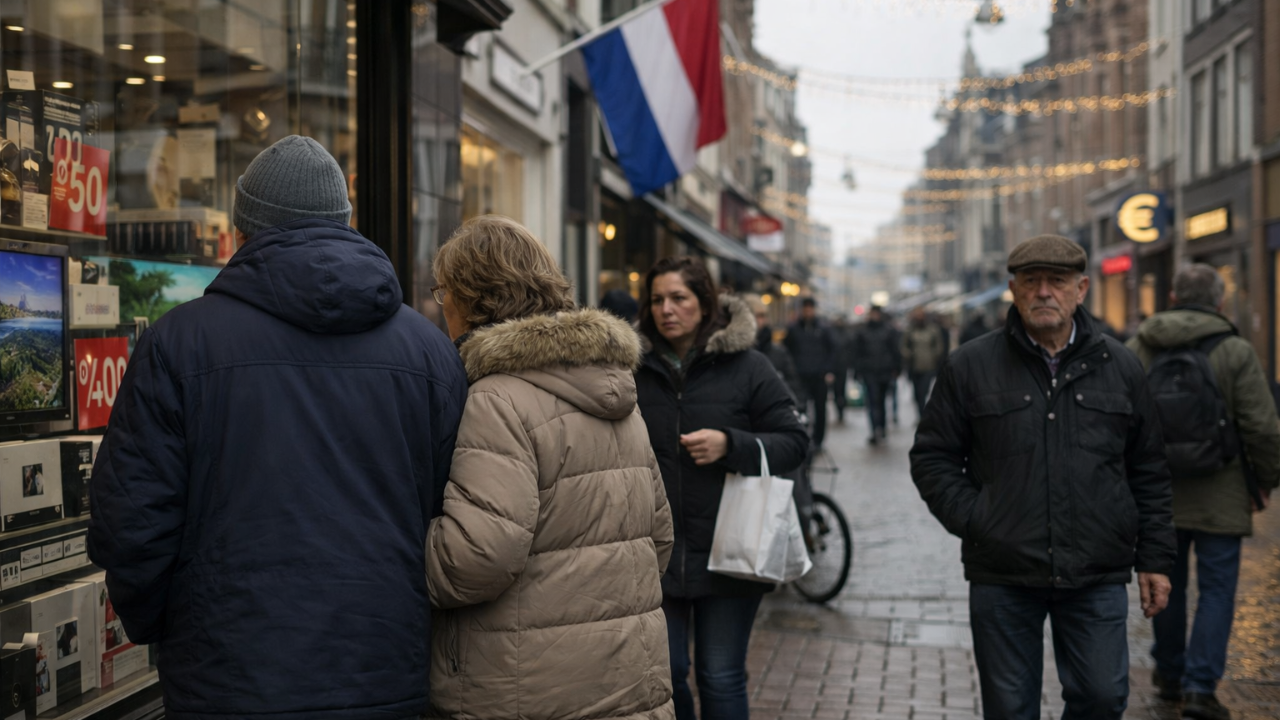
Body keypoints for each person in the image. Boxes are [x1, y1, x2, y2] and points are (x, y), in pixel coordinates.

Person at [88, 135, 468, 720]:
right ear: (345, 223)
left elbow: (134, 519)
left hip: (227, 675)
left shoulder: (177, 342)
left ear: (244, 230)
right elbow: (457, 519)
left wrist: (165, 625)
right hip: (384, 668)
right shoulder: (429, 352)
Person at [910, 234, 1176, 720]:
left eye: (1057, 282)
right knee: (1010, 709)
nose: (1044, 293)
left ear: (1082, 290)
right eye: (1031, 282)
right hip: (1003, 572)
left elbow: (1149, 469)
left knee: (1102, 697)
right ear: (1013, 289)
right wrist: (979, 519)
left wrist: (1155, 558)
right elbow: (932, 458)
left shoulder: (1120, 366)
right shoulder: (969, 365)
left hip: (1095, 570)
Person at [426, 216, 675, 720]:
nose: (441, 304)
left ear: (475, 297)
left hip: (528, 688)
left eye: (444, 291)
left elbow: (477, 560)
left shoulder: (497, 398)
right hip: (627, 679)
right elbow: (661, 536)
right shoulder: (615, 389)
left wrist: (400, 548)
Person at [635, 257, 808, 720]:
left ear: (705, 303)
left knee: (720, 673)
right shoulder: (631, 369)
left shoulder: (749, 366)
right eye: (656, 300)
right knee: (665, 673)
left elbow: (794, 441)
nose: (666, 309)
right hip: (656, 552)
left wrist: (732, 444)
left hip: (731, 550)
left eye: (679, 298)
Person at [1127, 264, 1280, 720]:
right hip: (1222, 488)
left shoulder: (1139, 348)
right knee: (1216, 591)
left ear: (1171, 295)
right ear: (1219, 301)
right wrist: (1266, 481)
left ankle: (1169, 672)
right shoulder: (1234, 350)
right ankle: (1199, 688)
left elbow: (1119, 420)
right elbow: (1262, 426)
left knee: (1162, 581)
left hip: (1157, 494)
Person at [783, 297, 838, 449]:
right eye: (805, 308)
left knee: (820, 409)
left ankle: (818, 440)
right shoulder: (794, 329)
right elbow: (787, 350)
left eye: (810, 308)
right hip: (800, 377)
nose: (807, 312)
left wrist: (828, 370)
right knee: (800, 408)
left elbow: (832, 350)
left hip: (819, 376)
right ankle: (803, 438)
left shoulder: (824, 329)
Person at [850, 305, 902, 444]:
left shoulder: (889, 331)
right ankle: (875, 430)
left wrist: (897, 368)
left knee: (882, 401)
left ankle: (882, 427)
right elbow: (857, 353)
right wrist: (857, 371)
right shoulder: (862, 332)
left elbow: (895, 350)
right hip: (870, 371)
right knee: (873, 401)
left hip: (884, 371)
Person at [745, 294, 806, 405]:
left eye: (763, 316)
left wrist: (799, 405)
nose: (760, 321)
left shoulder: (777, 352)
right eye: (757, 315)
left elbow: (792, 382)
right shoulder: (738, 352)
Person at [901, 306, 947, 420]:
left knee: (924, 391)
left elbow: (939, 346)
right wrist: (908, 354)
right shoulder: (910, 330)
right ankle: (920, 414)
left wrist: (934, 356)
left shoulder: (933, 330)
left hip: (929, 366)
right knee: (917, 394)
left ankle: (925, 415)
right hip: (914, 366)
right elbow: (904, 345)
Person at [831, 315, 855, 425]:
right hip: (835, 367)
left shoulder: (846, 334)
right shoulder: (832, 334)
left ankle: (841, 410)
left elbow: (851, 350)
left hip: (842, 366)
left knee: (841, 390)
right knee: (836, 390)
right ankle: (839, 410)